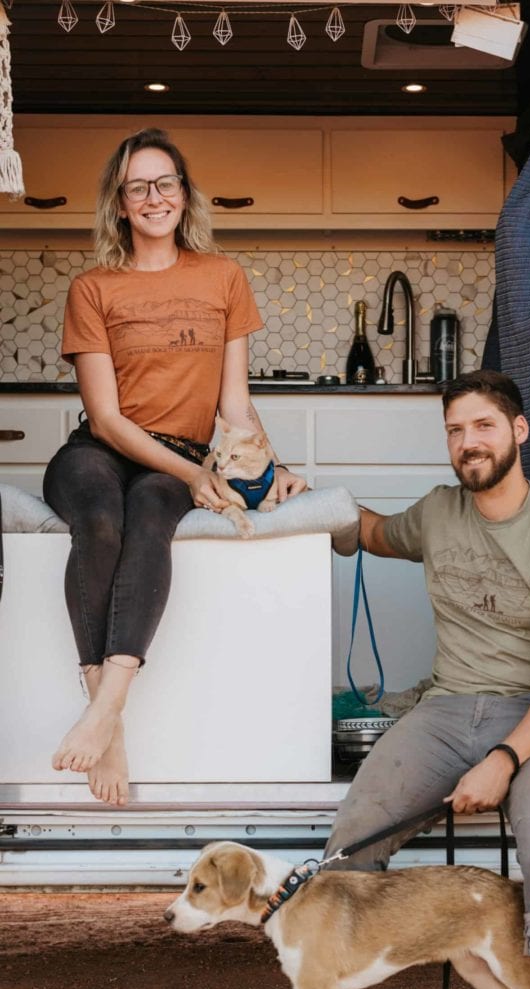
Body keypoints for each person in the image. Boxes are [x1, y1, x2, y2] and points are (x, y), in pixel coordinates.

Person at [248, 369, 530, 989]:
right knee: (355, 836)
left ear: (517, 432)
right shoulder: (441, 512)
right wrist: (306, 501)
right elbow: (376, 533)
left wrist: (507, 760)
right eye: (454, 430)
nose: (467, 443)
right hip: (446, 708)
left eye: (482, 426)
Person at [43, 127, 307, 807]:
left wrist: (268, 468)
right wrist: (194, 475)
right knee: (101, 518)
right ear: (120, 203)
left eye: (166, 183)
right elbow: (105, 420)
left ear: (184, 196)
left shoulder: (223, 278)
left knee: (152, 513)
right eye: (138, 186)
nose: (154, 196)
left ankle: (106, 710)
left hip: (179, 458)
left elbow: (236, 404)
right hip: (97, 453)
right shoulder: (93, 287)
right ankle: (108, 713)